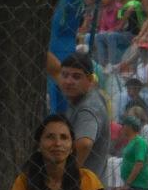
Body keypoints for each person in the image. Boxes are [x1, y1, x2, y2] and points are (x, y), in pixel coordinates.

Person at [46, 51, 112, 182]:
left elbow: (84, 144)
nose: (69, 81)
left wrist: (62, 178)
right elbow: (55, 71)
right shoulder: (78, 91)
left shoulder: (88, 108)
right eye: (65, 75)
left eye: (76, 77)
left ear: (90, 80)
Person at [119, 114, 148, 190]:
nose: (122, 128)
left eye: (123, 125)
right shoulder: (132, 141)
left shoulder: (139, 142)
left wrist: (127, 184)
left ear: (129, 127)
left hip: (137, 185)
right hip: (132, 184)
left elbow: (139, 163)